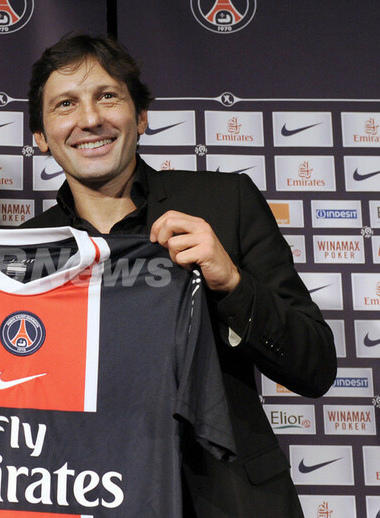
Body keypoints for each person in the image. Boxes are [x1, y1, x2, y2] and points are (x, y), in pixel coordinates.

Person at [20, 34, 337, 518]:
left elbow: (315, 368)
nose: (90, 118)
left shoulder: (225, 203)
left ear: (141, 116)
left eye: (108, 96)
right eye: (65, 104)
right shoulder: (23, 253)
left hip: (226, 500)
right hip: (85, 495)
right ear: (41, 137)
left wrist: (232, 284)